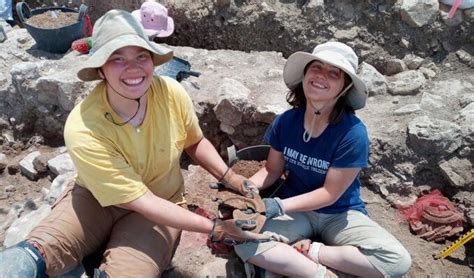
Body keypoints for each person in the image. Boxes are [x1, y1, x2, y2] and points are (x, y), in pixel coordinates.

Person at [0, 9, 269, 278]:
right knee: (37, 253)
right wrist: (214, 227)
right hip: (96, 199)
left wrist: (232, 178)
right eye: (117, 59)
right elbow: (140, 200)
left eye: (141, 55)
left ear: (152, 60)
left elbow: (194, 141)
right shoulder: (84, 126)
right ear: (101, 70)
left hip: (161, 206)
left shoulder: (171, 94)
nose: (133, 68)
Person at [234, 41, 412, 277]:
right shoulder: (286, 121)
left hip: (339, 213)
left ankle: (312, 253)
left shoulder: (352, 133)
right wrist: (244, 189)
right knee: (241, 238)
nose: (321, 76)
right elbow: (271, 170)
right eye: (316, 67)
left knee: (396, 261)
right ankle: (321, 274)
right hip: (297, 210)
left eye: (333, 73)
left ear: (344, 87)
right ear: (305, 73)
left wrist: (277, 206)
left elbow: (330, 193)